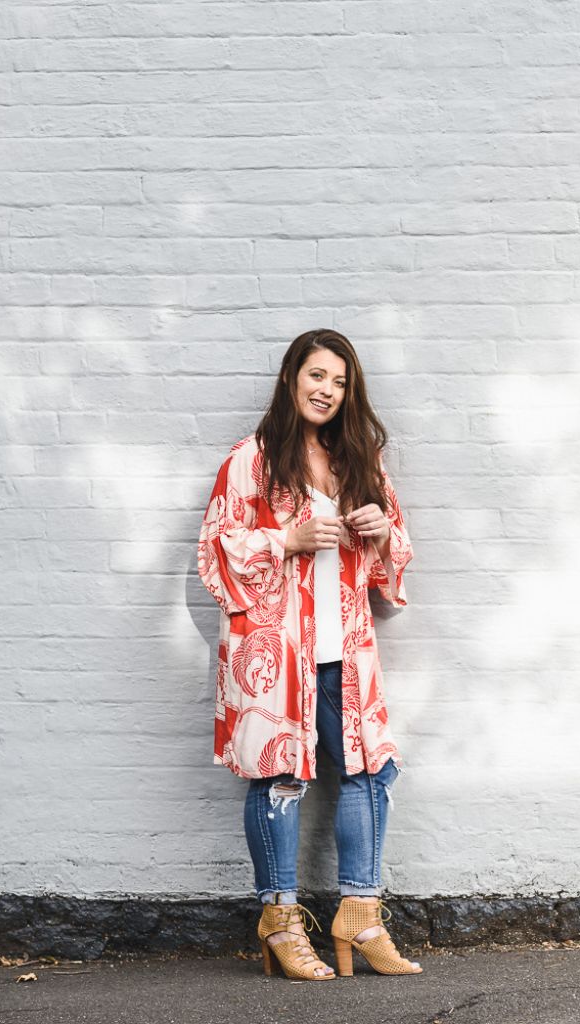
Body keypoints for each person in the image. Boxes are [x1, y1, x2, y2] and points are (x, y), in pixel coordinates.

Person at [197, 328, 423, 981]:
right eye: (317, 375)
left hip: (344, 650)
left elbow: (391, 564)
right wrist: (286, 540)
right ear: (292, 377)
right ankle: (279, 921)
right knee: (279, 779)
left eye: (340, 381)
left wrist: (383, 533)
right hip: (276, 652)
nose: (327, 390)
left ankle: (360, 912)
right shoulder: (252, 459)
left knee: (371, 772)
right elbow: (216, 553)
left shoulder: (358, 461)